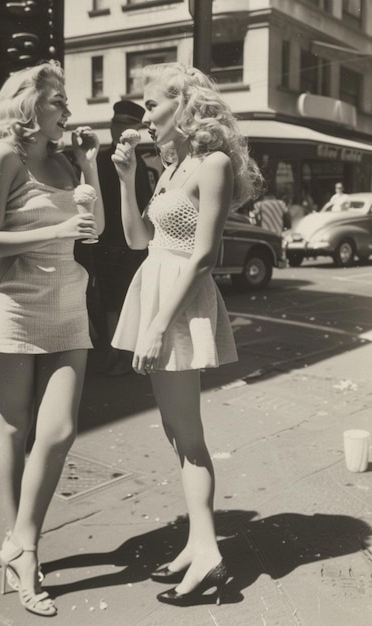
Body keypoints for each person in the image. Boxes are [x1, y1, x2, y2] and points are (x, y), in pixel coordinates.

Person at [111, 62, 262, 606]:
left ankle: (210, 559)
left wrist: (156, 326)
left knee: (190, 438)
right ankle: (199, 546)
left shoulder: (213, 163)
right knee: (178, 434)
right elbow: (136, 240)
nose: (144, 116)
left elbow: (205, 257)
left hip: (177, 302)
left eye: (152, 105)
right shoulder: (171, 166)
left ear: (185, 105)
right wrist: (128, 180)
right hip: (156, 285)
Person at [0, 59, 104, 617]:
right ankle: (26, 547)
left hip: (68, 302)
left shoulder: (69, 160)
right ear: (29, 107)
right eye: (58, 102)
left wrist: (90, 167)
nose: (67, 111)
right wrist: (58, 229)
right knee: (15, 424)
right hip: (15, 305)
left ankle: (20, 540)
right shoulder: (6, 157)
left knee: (61, 427)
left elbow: (96, 230)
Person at [93, 100, 153, 376]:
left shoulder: (141, 163)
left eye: (127, 125)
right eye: (117, 123)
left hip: (132, 247)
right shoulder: (100, 160)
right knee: (111, 302)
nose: (120, 130)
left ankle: (122, 355)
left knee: (126, 301)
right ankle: (114, 353)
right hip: (108, 246)